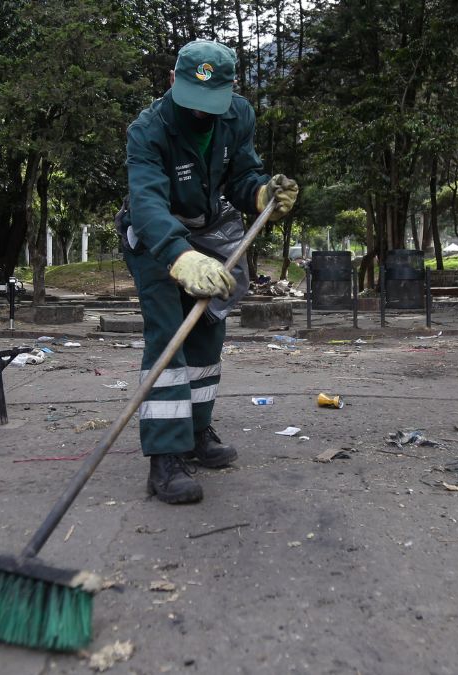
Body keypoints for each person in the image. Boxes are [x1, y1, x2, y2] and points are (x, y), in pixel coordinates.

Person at [119, 40, 298, 504]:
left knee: (206, 335)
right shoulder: (148, 129)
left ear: (229, 90)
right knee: (168, 336)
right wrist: (179, 257)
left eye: (209, 105)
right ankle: (164, 459)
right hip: (156, 237)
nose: (200, 114)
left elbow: (241, 176)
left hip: (212, 231)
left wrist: (261, 195)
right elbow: (147, 203)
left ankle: (196, 435)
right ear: (172, 82)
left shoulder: (238, 116)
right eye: (191, 103)